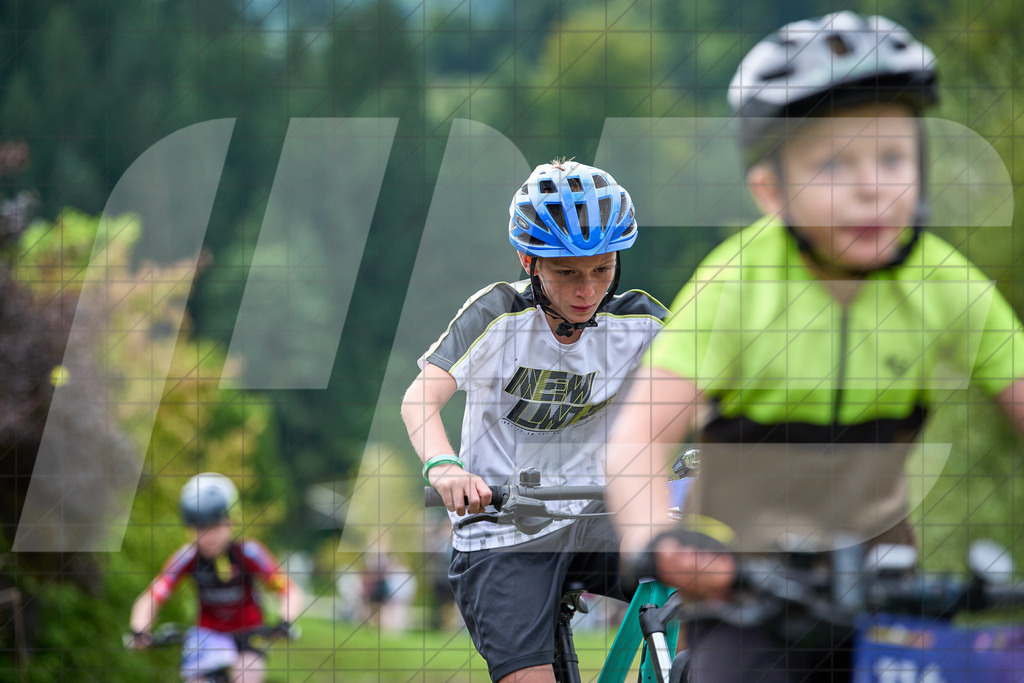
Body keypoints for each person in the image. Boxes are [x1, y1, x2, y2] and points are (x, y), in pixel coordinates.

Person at [605, 11, 1024, 682]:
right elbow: (636, 441)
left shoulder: (943, 281)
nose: (872, 186)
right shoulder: (733, 283)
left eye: (892, 157)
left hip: (887, 585)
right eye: (834, 164)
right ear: (770, 190)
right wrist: (655, 534)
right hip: (744, 591)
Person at [401, 159, 667, 683]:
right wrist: (445, 469)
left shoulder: (639, 322)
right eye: (567, 272)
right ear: (530, 261)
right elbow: (420, 400)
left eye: (602, 269)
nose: (587, 290)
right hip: (503, 528)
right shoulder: (498, 317)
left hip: (594, 518)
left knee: (704, 576)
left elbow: (717, 396)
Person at [129, 473, 305, 683]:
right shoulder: (187, 557)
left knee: (246, 676)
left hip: (248, 634)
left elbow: (288, 590)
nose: (208, 535)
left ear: (231, 522)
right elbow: (153, 596)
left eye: (215, 526)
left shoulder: (249, 553)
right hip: (206, 637)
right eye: (199, 527)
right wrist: (139, 629)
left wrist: (285, 619)